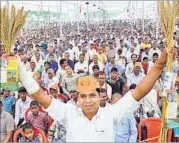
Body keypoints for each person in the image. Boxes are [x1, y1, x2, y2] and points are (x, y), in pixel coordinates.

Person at [17, 35, 167, 142]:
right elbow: (40, 96)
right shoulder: (68, 113)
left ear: (99, 96)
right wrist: (17, 67)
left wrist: (159, 65)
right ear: (77, 99)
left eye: (92, 95)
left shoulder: (111, 112)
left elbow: (139, 91)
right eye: (83, 96)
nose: (87, 100)